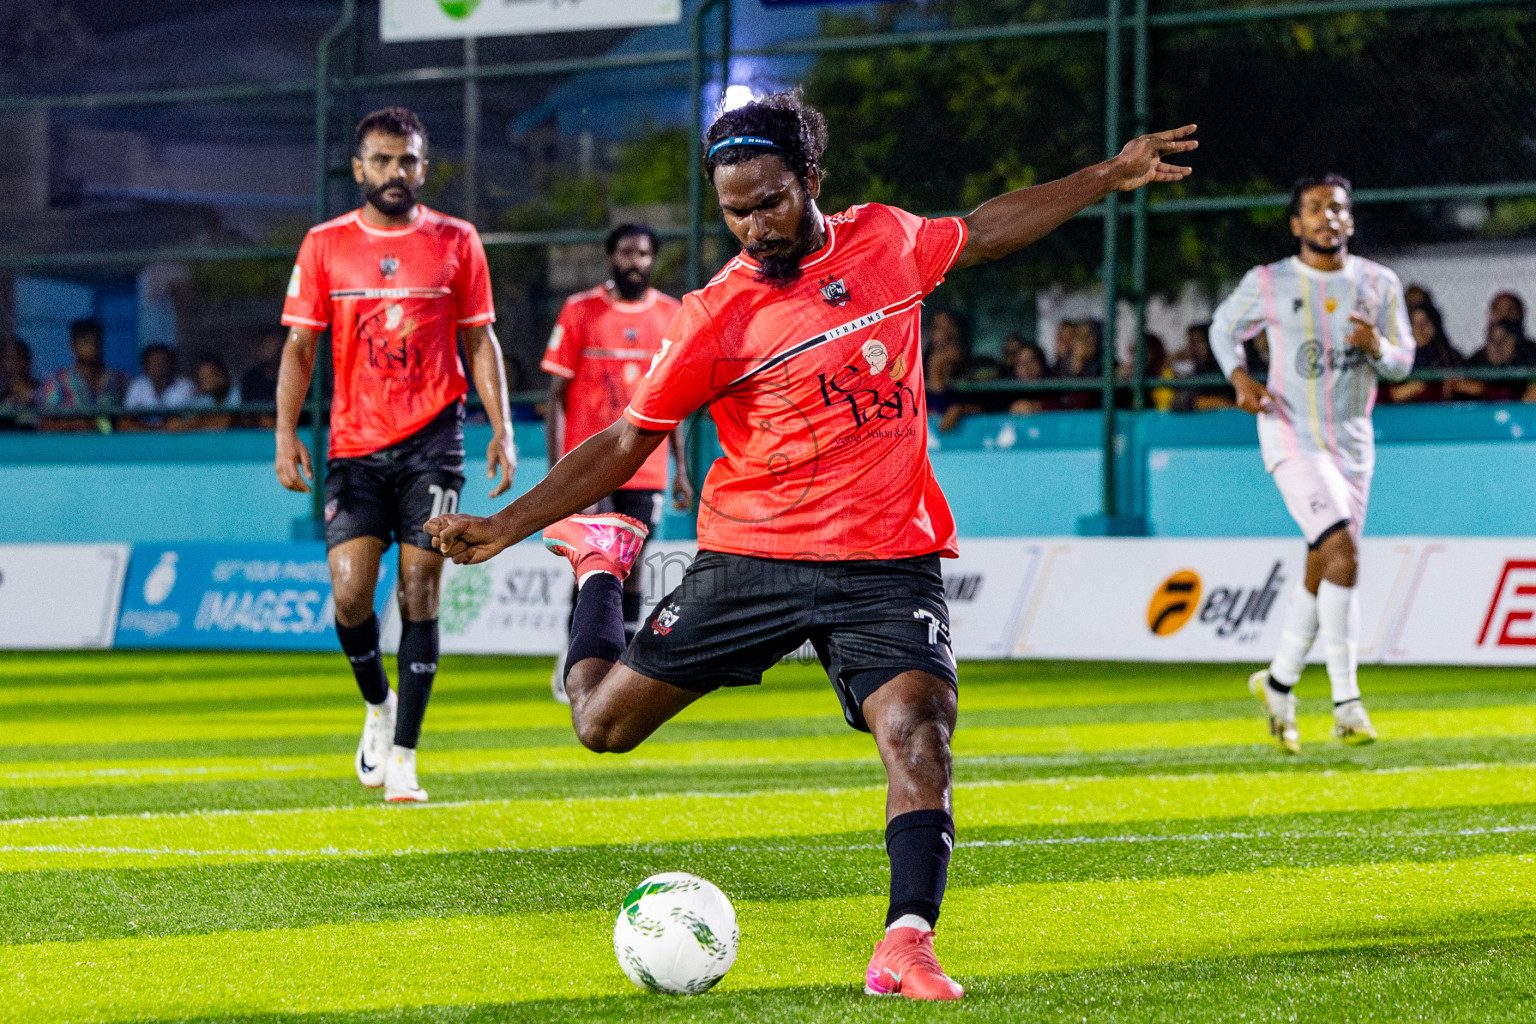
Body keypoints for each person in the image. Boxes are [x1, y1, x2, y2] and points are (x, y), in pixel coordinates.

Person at [425, 91, 1196, 1000]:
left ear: (811, 179)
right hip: (755, 557)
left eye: (771, 200)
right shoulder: (714, 315)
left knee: (920, 734)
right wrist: (509, 525)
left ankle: (906, 943)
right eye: (735, 210)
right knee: (600, 724)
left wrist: (1108, 173)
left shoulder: (887, 241)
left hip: (885, 558)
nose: (755, 225)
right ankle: (602, 560)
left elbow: (986, 230)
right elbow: (630, 440)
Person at [275, 106, 517, 804]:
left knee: (420, 589)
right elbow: (299, 345)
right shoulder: (324, 245)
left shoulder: (456, 240)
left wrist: (500, 426)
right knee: (350, 595)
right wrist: (285, 432)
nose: (395, 172)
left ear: (423, 164)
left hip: (434, 442)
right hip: (354, 447)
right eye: (381, 160)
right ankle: (377, 705)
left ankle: (405, 757)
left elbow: (480, 339)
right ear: (358, 169)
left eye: (407, 159)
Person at [1210, 173, 1413, 755]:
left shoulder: (1379, 283)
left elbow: (1403, 360)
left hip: (1353, 444)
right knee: (1344, 552)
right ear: (1297, 223)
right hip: (1290, 435)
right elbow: (1225, 328)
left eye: (1339, 208)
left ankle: (1277, 683)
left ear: (1351, 220)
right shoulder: (1270, 282)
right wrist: (1240, 376)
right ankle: (1347, 700)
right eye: (1317, 209)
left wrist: (1379, 348)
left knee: (1324, 559)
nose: (1330, 217)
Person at [540, 223, 694, 700]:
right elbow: (556, 397)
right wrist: (557, 473)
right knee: (592, 558)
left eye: (644, 253)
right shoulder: (580, 310)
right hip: (590, 464)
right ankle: (574, 662)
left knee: (633, 563)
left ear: (654, 259)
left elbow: (677, 404)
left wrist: (682, 471)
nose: (635, 261)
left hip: (646, 464)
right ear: (610, 257)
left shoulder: (672, 314)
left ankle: (620, 665)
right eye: (626, 253)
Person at [39, 319, 128, 432]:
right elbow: (46, 424)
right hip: (70, 445)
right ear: (73, 346)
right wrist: (75, 425)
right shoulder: (57, 382)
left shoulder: (119, 379)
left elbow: (129, 419)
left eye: (96, 341)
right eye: (86, 341)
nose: (92, 346)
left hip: (111, 445)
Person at [1386, 299, 1461, 404]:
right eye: (1415, 323)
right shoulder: (1399, 355)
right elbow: (1391, 394)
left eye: (1425, 322)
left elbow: (1450, 389)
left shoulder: (1448, 356)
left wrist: (1419, 387)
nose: (1420, 329)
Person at [1450, 318, 1535, 402]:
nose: (1497, 345)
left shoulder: (1527, 367)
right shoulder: (1475, 364)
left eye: (1504, 339)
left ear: (1515, 343)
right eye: (1492, 340)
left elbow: (1516, 396)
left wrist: (1482, 390)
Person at [123, 343, 197, 428]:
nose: (159, 366)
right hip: (145, 434)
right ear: (145, 367)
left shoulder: (185, 386)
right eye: (154, 362)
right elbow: (128, 416)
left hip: (176, 435)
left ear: (171, 364)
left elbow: (191, 418)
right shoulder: (138, 385)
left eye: (163, 362)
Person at [240, 325, 285, 425]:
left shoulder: (292, 376)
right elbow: (248, 411)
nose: (272, 350)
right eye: (267, 345)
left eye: (275, 344)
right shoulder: (250, 378)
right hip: (258, 432)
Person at [0, 335, 38, 427]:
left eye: (17, 357)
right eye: (8, 358)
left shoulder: (43, 393)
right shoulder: (2, 398)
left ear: (27, 360)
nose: (13, 363)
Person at [1007, 341, 1049, 415]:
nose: (1026, 367)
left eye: (1031, 360)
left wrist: (1037, 406)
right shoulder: (1007, 395)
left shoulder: (1055, 391)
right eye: (1021, 362)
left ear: (1041, 364)